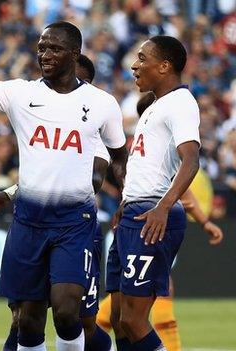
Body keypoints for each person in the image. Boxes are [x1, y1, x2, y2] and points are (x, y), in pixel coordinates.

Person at [0, 13, 128, 351]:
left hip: (75, 224)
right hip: (29, 222)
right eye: (41, 48)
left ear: (75, 53)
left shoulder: (102, 104)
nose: (44, 55)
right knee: (27, 320)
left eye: (54, 49)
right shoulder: (19, 94)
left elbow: (119, 158)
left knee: (66, 310)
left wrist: (127, 203)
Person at [0, 54, 113, 351]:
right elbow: (44, 174)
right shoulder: (42, 122)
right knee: (23, 318)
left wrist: (13, 191)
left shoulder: (95, 138)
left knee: (80, 321)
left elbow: (89, 181)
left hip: (75, 232)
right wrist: (11, 193)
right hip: (34, 226)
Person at [96, 93, 223, 351]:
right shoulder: (141, 147)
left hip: (152, 223)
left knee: (134, 316)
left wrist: (204, 221)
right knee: (119, 315)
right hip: (132, 220)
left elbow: (184, 193)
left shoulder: (164, 145)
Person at [108, 36, 200, 351]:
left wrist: (164, 206)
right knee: (120, 318)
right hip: (134, 212)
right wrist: (125, 201)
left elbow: (191, 159)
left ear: (164, 66)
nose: (134, 65)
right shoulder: (156, 105)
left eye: (142, 58)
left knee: (134, 321)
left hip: (151, 217)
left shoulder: (181, 102)